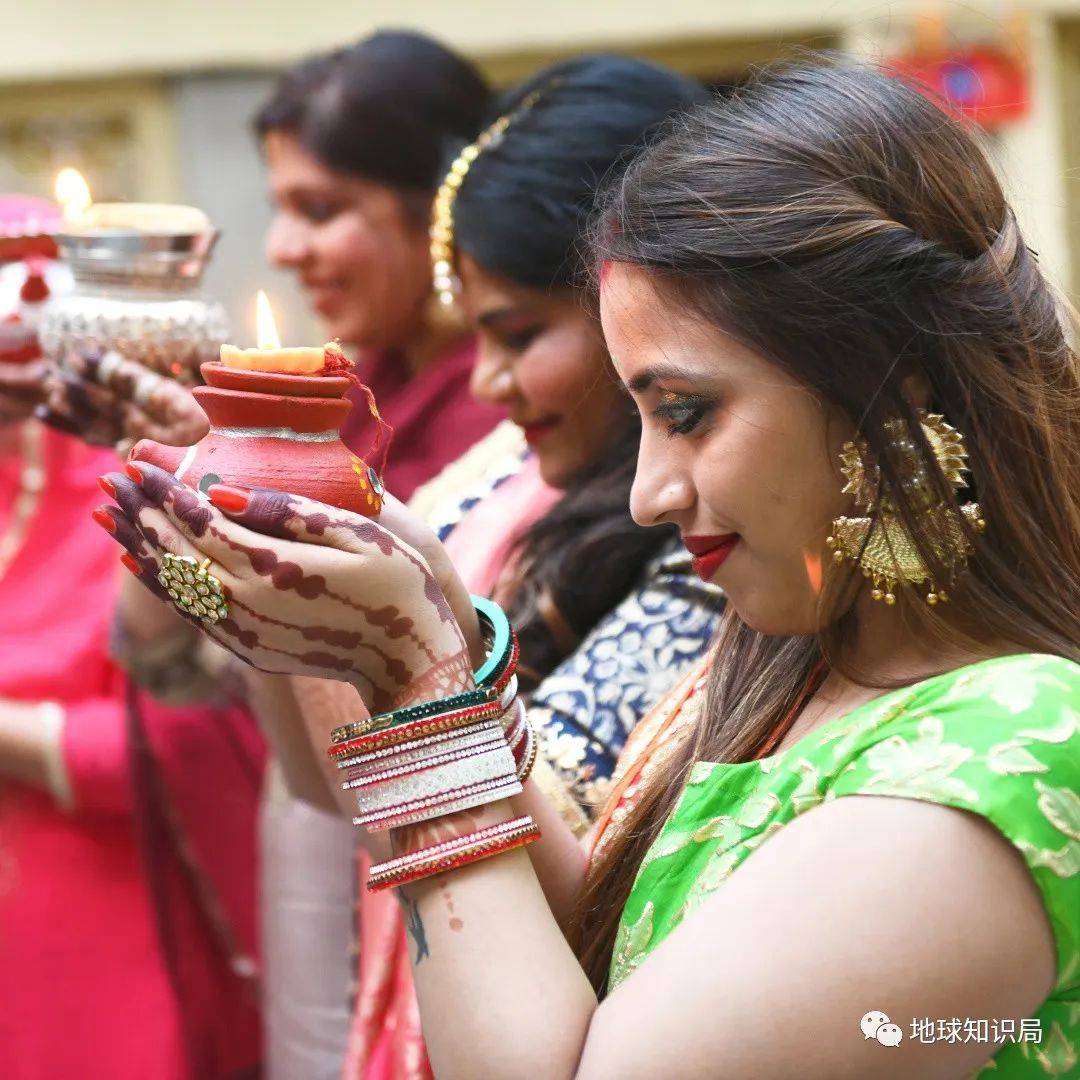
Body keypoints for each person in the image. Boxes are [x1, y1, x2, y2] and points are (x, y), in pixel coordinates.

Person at [105, 58, 1079, 1077]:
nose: (647, 493)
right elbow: (600, 939)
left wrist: (416, 685)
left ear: (891, 387)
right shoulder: (791, 658)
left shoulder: (999, 755)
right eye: (643, 416)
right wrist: (428, 616)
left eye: (689, 413)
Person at [102, 56, 723, 1080]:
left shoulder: (706, 546)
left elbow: (540, 850)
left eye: (520, 333)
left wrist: (390, 640)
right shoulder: (503, 470)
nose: (491, 379)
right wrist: (279, 596)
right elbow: (326, 785)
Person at [255, 29, 502, 500]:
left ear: (439, 209)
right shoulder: (373, 378)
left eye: (320, 209)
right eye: (280, 210)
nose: (281, 249)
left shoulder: (502, 397)